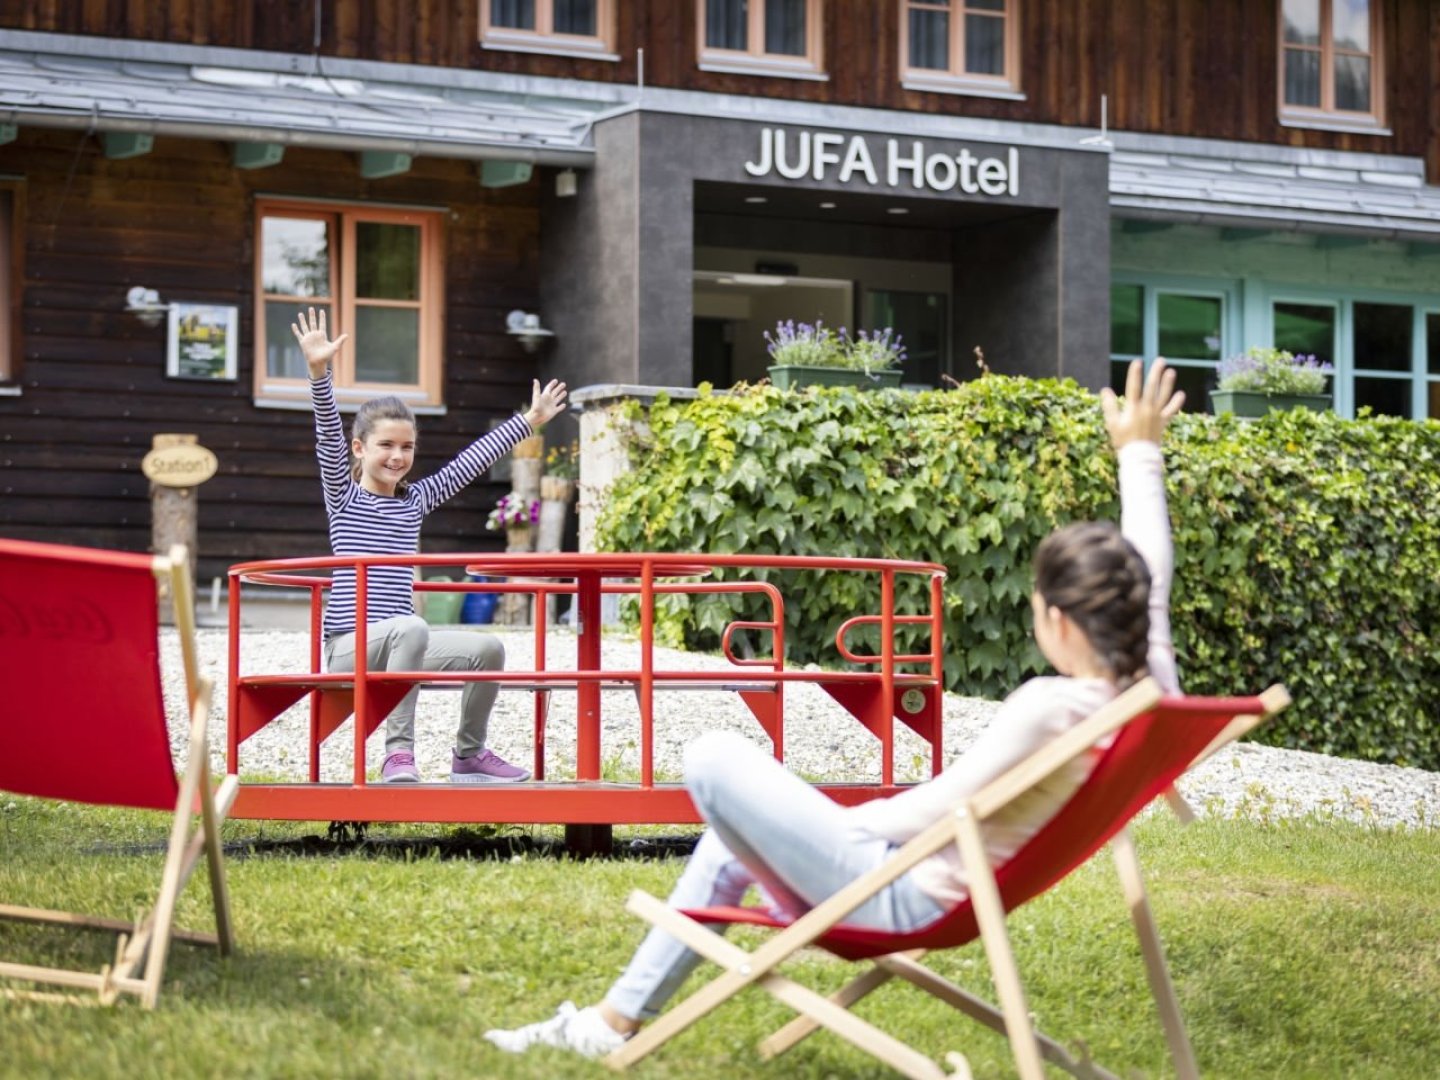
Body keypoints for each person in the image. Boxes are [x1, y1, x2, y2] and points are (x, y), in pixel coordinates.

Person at [483, 358, 1186, 1058]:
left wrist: (825, 829)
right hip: (950, 893)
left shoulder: (1050, 708)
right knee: (733, 837)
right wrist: (1139, 455)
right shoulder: (1146, 693)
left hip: (899, 893)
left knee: (712, 754)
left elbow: (936, 813)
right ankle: (610, 1025)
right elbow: (1150, 584)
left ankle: (606, 1025)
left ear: (1058, 621)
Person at [292, 307, 568, 784]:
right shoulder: (342, 495)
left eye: (407, 447)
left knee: (488, 650)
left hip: (405, 642)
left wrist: (530, 420)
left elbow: (469, 462)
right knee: (411, 627)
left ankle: (469, 756)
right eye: (386, 446)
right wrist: (320, 373)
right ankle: (398, 754)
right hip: (350, 647)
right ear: (359, 449)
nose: (398, 456)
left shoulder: (415, 500)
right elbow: (325, 435)